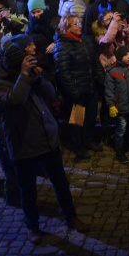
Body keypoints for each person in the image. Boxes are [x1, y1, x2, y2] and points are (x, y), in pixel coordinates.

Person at [0, 34, 90, 245]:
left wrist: (37, 78)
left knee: (60, 182)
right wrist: (24, 76)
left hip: (47, 138)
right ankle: (32, 227)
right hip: (23, 143)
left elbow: (51, 94)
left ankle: (70, 216)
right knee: (28, 190)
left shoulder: (27, 75)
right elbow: (15, 101)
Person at [53, 14, 100, 160]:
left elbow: (94, 60)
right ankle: (79, 146)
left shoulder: (85, 40)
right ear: (67, 27)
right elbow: (63, 73)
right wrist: (73, 92)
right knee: (77, 121)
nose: (80, 26)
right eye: (75, 24)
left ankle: (88, 140)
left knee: (91, 117)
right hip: (77, 92)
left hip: (90, 87)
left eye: (79, 23)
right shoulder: (62, 46)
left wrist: (99, 78)